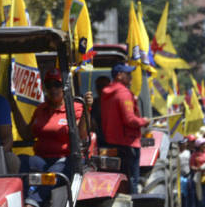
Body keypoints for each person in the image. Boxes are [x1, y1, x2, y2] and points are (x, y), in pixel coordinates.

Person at [10, 68, 93, 207]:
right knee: (20, 162)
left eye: (57, 84)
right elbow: (26, 134)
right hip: (42, 160)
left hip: (65, 160)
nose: (53, 89)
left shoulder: (76, 108)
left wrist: (87, 109)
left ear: (65, 87)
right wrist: (13, 107)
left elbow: (81, 135)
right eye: (49, 85)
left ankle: (32, 203)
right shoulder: (41, 109)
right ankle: (16, 201)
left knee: (52, 174)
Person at [101, 62, 149, 194]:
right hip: (128, 142)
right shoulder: (123, 93)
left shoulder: (106, 93)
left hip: (111, 141)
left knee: (118, 179)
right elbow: (130, 120)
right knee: (132, 179)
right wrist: (143, 121)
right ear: (119, 75)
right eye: (128, 74)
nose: (131, 77)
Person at [90, 76, 110, 147]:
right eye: (99, 86)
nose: (102, 89)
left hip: (115, 141)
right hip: (98, 141)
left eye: (104, 86)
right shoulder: (92, 104)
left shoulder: (115, 102)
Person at [179, 138, 191, 207]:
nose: (185, 144)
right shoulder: (177, 153)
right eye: (183, 143)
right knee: (182, 194)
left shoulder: (188, 152)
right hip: (180, 176)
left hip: (188, 175)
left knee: (189, 193)